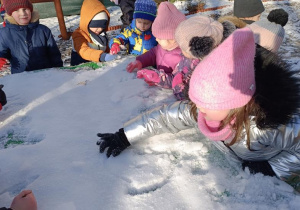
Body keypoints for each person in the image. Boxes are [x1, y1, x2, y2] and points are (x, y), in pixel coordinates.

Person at [96, 27, 300, 191]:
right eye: (196, 100)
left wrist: (273, 168)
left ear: (234, 104)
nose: (197, 108)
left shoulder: (267, 125)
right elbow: (166, 117)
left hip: (268, 163)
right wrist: (125, 136)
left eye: (206, 104)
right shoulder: (200, 110)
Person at [172, 15, 235, 100]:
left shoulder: (210, 70)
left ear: (197, 48)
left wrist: (178, 89)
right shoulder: (193, 59)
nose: (180, 50)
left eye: (183, 48)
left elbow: (196, 98)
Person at [125, 1, 186, 87]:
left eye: (160, 38)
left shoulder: (182, 58)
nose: (156, 39)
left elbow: (177, 80)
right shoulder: (162, 47)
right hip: (157, 84)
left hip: (167, 96)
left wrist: (158, 78)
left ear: (173, 39)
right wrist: (140, 61)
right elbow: (152, 54)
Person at [0, 0, 63, 74]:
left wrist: (58, 70)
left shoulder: (43, 30)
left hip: (46, 74)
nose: (23, 13)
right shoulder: (5, 33)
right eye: (16, 10)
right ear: (10, 14)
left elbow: (54, 54)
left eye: (25, 9)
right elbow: (2, 51)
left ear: (31, 10)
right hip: (21, 75)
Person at [71, 0, 116, 66]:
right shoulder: (79, 34)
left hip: (97, 67)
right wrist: (101, 56)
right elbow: (83, 51)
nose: (100, 29)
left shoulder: (101, 35)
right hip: (80, 68)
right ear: (88, 23)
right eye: (96, 26)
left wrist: (110, 53)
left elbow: (105, 48)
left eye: (102, 26)